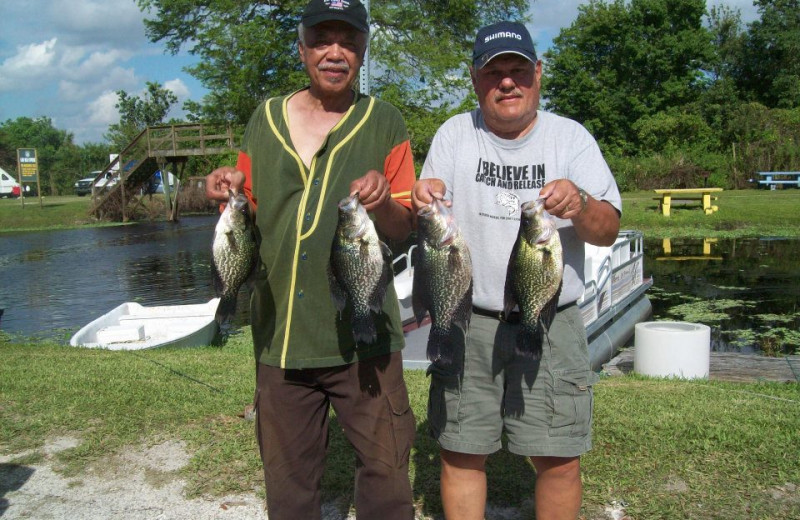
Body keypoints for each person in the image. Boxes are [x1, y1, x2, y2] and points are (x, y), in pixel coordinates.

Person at [204, 1, 417, 518]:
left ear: (363, 50)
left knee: (387, 475)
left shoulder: (385, 121)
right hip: (280, 337)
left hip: (364, 337)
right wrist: (225, 186)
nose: (335, 52)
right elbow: (247, 209)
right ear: (302, 49)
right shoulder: (266, 117)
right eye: (322, 39)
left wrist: (384, 200)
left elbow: (407, 226)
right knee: (288, 484)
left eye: (348, 40)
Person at [411, 21, 622, 520]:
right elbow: (432, 216)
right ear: (474, 79)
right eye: (494, 72)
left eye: (518, 70)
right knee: (461, 449)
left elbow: (608, 229)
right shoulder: (453, 135)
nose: (507, 82)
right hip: (469, 315)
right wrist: (425, 199)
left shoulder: (571, 138)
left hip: (551, 315)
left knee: (557, 457)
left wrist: (581, 203)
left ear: (538, 74)